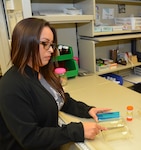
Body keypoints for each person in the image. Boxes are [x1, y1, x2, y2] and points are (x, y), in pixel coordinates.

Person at [0, 18, 111, 150]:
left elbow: (60, 98)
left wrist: (87, 110)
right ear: (25, 44)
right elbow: (30, 138)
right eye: (44, 44)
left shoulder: (42, 71)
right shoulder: (11, 86)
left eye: (52, 44)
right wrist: (78, 130)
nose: (51, 50)